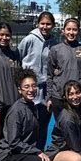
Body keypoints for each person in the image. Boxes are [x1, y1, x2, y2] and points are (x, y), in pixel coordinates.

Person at [0, 69, 52, 161]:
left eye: (33, 86)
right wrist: (37, 152)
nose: (31, 90)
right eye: (26, 87)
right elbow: (14, 143)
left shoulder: (32, 106)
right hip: (7, 155)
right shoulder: (16, 111)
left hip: (22, 153)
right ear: (19, 90)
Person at [18, 11, 57, 150]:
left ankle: (39, 153)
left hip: (45, 89)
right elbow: (19, 57)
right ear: (38, 24)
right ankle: (25, 152)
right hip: (30, 88)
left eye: (48, 24)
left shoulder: (54, 42)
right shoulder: (29, 39)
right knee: (28, 124)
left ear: (53, 25)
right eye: (42, 23)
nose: (45, 27)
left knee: (43, 124)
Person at [47, 18, 81, 119]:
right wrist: (49, 97)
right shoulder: (55, 50)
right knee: (61, 129)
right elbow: (50, 75)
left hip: (79, 97)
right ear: (63, 31)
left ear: (78, 31)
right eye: (68, 29)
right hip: (59, 97)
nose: (71, 32)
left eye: (74, 30)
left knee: (78, 129)